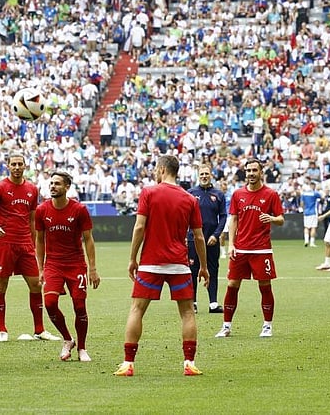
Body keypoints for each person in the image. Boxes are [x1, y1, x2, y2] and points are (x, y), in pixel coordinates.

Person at [114, 155, 208, 377]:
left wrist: (132, 258)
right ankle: (189, 363)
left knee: (137, 309)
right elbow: (199, 236)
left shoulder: (149, 192)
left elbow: (139, 227)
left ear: (163, 169)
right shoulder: (190, 199)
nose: (155, 173)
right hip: (179, 265)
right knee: (187, 312)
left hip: (151, 263)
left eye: (157, 169)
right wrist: (203, 266)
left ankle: (128, 364)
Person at [0, 152, 59, 342]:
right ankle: (2, 330)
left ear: (25, 166)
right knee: (0, 285)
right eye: (13, 164)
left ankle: (39, 330)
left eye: (19, 164)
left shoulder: (32, 189)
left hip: (25, 244)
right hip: (4, 244)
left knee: (35, 285)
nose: (16, 167)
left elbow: (32, 219)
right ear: (7, 166)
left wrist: (34, 242)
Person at [215, 158, 285, 339]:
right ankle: (226, 326)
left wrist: (271, 219)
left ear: (261, 172)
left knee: (264, 286)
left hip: (262, 249)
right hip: (241, 248)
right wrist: (231, 244)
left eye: (255, 170)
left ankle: (267, 326)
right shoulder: (238, 194)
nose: (251, 174)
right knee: (232, 285)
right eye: (248, 171)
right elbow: (233, 220)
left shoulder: (271, 194)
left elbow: (281, 219)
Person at [35, 171, 100, 362]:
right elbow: (39, 240)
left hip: (75, 264)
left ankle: (82, 348)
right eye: (51, 183)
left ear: (67, 187)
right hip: (53, 264)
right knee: (49, 304)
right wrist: (40, 268)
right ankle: (67, 339)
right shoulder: (42, 210)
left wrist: (92, 268)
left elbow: (88, 239)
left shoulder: (79, 210)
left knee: (79, 306)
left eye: (57, 183)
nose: (53, 186)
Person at [187, 164, 227, 314]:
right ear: (198, 175)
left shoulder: (218, 195)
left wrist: (216, 235)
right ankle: (193, 303)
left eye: (206, 174)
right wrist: (185, 236)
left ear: (211, 175)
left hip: (211, 240)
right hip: (193, 240)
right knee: (193, 270)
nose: (204, 176)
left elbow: (223, 217)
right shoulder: (191, 193)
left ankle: (213, 303)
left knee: (213, 269)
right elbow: (185, 217)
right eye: (202, 174)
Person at [300, 183, 322, 248]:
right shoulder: (315, 193)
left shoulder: (304, 193)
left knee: (306, 227)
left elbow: (301, 203)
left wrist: (304, 209)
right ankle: (312, 243)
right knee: (313, 227)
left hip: (306, 212)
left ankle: (306, 240)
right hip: (313, 212)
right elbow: (321, 197)